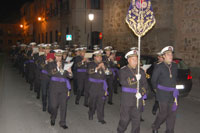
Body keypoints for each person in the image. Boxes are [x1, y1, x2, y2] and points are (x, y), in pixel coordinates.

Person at [117, 49, 148, 133]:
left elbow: (145, 85)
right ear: (128, 60)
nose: (136, 62)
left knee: (136, 121)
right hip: (127, 99)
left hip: (138, 99)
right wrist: (134, 79)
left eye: (137, 59)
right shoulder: (123, 70)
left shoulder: (141, 71)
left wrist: (141, 93)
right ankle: (120, 130)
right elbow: (122, 82)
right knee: (125, 119)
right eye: (133, 59)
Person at [151, 46, 179, 133]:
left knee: (172, 114)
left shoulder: (175, 66)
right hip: (162, 93)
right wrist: (157, 91)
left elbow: (174, 78)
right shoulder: (159, 66)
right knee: (163, 113)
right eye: (168, 54)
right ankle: (155, 126)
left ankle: (170, 130)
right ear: (163, 56)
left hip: (172, 94)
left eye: (171, 54)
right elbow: (153, 80)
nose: (171, 56)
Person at [48, 49, 73, 129]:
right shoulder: (51, 64)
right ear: (55, 56)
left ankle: (62, 122)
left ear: (62, 56)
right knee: (54, 106)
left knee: (63, 106)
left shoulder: (66, 64)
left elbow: (71, 77)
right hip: (54, 88)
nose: (59, 58)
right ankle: (53, 117)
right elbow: (50, 73)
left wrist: (70, 72)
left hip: (63, 88)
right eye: (57, 56)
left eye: (60, 56)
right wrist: (58, 67)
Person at [88, 49, 110, 124]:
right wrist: (97, 68)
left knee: (101, 103)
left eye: (100, 57)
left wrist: (104, 68)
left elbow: (109, 73)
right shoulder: (91, 64)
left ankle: (100, 118)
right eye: (98, 57)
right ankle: (90, 113)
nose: (100, 58)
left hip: (102, 86)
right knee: (92, 102)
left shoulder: (104, 64)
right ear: (94, 57)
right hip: (93, 86)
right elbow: (89, 72)